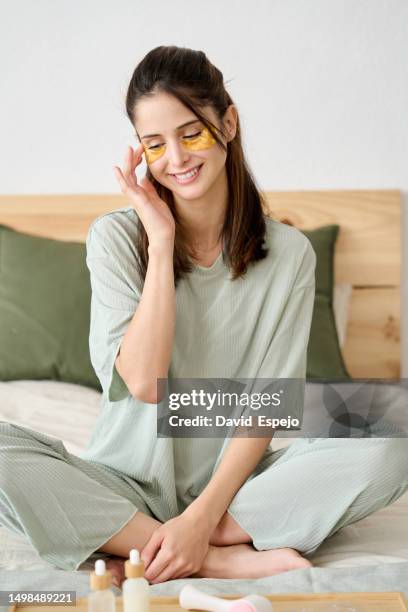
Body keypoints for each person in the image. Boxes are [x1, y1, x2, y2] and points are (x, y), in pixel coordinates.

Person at [0, 46, 407, 588]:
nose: (176, 157)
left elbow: (267, 404)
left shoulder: (290, 255)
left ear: (228, 122)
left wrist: (202, 517)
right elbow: (144, 382)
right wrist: (162, 240)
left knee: (394, 425)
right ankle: (209, 557)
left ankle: (170, 542)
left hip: (237, 494)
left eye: (191, 133)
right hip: (122, 482)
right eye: (154, 144)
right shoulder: (117, 239)